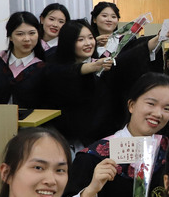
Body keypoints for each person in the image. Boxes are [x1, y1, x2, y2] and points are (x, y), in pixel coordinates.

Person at [62, 73, 169, 197]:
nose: (157, 113)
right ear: (131, 105)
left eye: (166, 108)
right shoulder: (94, 157)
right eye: (151, 104)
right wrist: (91, 189)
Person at [42, 20, 118, 148]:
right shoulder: (54, 68)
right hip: (66, 137)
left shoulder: (103, 65)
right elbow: (64, 72)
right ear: (68, 43)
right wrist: (91, 67)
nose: (88, 43)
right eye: (80, 39)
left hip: (100, 136)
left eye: (90, 38)